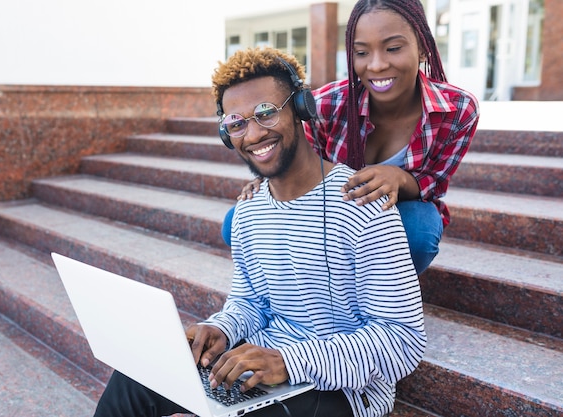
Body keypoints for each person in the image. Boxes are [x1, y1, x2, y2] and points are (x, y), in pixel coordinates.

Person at [93, 47, 426, 417]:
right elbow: (250, 303)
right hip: (260, 371)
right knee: (136, 377)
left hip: (345, 393)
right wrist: (220, 329)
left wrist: (287, 361)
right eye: (236, 123)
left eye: (265, 113)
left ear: (299, 108)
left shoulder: (362, 203)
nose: (253, 134)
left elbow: (403, 340)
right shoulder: (248, 212)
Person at [223, 0, 480, 275]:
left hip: (398, 208)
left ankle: (382, 290)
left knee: (418, 232)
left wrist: (398, 178)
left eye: (393, 48)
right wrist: (266, 180)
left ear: (423, 49)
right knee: (234, 223)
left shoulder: (457, 110)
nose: (377, 65)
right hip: (331, 208)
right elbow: (296, 160)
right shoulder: (326, 104)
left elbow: (434, 182)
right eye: (361, 52)